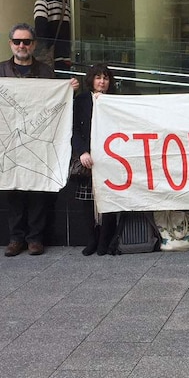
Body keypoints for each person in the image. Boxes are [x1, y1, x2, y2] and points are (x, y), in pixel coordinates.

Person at [0, 23, 79, 257]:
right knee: (15, 191)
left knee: (38, 191)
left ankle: (35, 239)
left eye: (26, 42)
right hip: (10, 140)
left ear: (34, 44)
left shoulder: (46, 72)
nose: (22, 45)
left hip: (38, 139)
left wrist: (70, 90)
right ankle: (16, 238)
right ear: (10, 44)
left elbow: (56, 102)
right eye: (17, 41)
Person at [72, 63, 117, 256]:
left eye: (105, 78)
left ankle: (105, 241)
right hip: (88, 159)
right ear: (91, 80)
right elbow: (73, 129)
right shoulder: (81, 100)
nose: (102, 81)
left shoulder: (116, 101)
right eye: (98, 77)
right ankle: (92, 240)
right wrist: (82, 152)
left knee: (110, 200)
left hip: (111, 158)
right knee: (87, 202)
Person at [33, 0, 72, 72]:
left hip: (48, 60)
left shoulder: (42, 2)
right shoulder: (65, 4)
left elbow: (41, 33)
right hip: (64, 57)